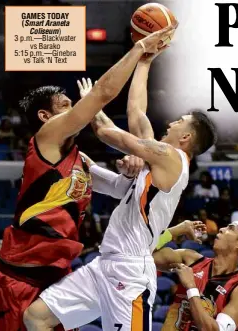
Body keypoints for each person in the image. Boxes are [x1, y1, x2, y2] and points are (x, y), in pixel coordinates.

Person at [24, 39, 217, 331]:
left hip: (130, 271)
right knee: (35, 317)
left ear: (186, 138)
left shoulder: (172, 158)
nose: (171, 124)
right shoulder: (158, 160)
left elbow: (105, 131)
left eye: (179, 122)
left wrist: (91, 102)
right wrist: (145, 62)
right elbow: (136, 112)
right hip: (104, 264)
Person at [0, 26, 174, 331]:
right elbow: (103, 94)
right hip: (22, 275)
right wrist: (140, 48)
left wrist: (131, 169)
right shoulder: (45, 139)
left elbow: (118, 189)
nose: (75, 110)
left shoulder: (79, 159)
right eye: (65, 106)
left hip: (57, 274)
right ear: (45, 117)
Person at [153, 220, 238, 331]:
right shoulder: (189, 258)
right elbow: (142, 255)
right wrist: (175, 231)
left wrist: (191, 287)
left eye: (231, 228)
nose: (221, 229)